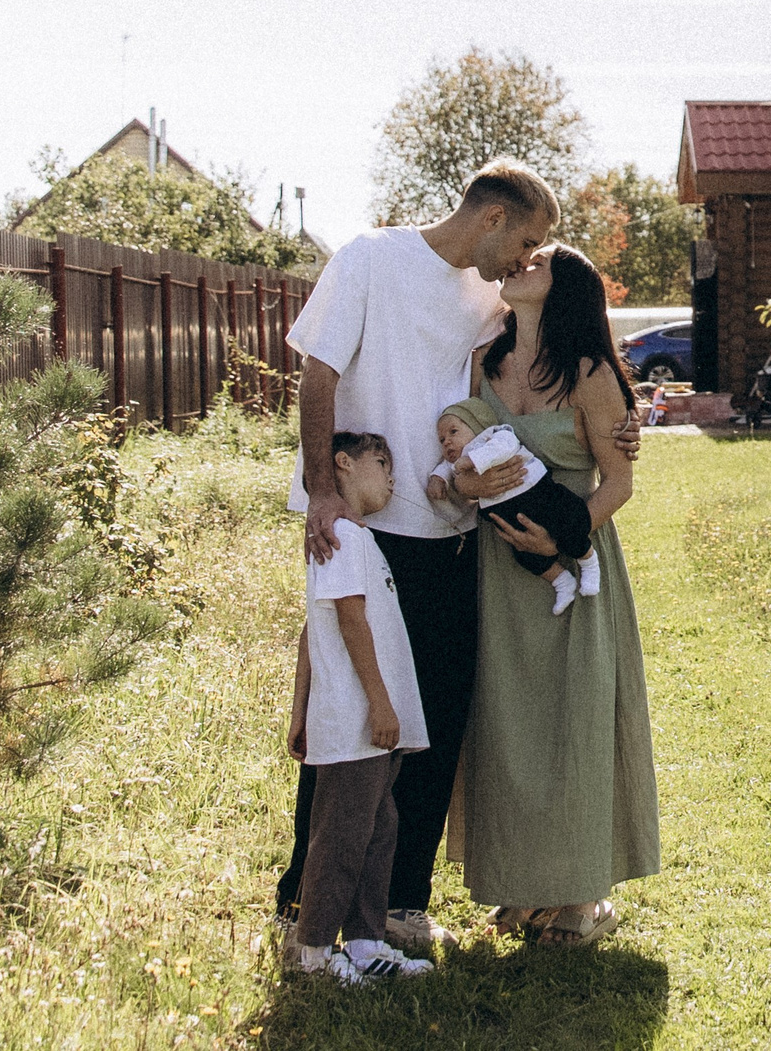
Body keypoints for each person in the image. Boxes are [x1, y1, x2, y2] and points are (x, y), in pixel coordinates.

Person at [275, 159, 642, 950]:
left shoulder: (489, 296)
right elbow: (317, 374)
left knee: (435, 721)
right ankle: (304, 898)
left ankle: (401, 902)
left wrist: (620, 422)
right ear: (493, 218)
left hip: (455, 532)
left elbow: (558, 360)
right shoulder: (370, 259)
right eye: (528, 240)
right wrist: (323, 491)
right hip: (365, 527)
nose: (526, 259)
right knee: (348, 715)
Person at [455, 243, 660, 947]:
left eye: (538, 258)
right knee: (508, 726)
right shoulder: (484, 363)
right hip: (497, 569)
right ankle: (522, 884)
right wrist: (466, 485)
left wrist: (560, 539)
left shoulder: (589, 373)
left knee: (573, 725)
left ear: (567, 285)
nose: (521, 262)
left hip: (574, 562)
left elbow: (619, 483)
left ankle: (581, 897)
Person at [284, 433, 434, 984]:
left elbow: (311, 630)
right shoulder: (340, 535)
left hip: (368, 724)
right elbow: (346, 620)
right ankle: (313, 952)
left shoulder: (358, 538)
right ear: (342, 464)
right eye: (381, 462)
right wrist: (380, 705)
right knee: (342, 837)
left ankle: (366, 944)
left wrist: (298, 711)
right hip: (357, 720)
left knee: (379, 828)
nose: (392, 476)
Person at [431, 412, 599, 615]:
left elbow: (505, 447)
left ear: (476, 424)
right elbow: (445, 468)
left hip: (537, 493)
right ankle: (562, 582)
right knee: (524, 555)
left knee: (568, 524)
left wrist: (473, 460)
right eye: (442, 439)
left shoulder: (493, 436)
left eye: (453, 431)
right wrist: (437, 479)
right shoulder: (456, 461)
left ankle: (588, 562)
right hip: (510, 514)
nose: (447, 442)